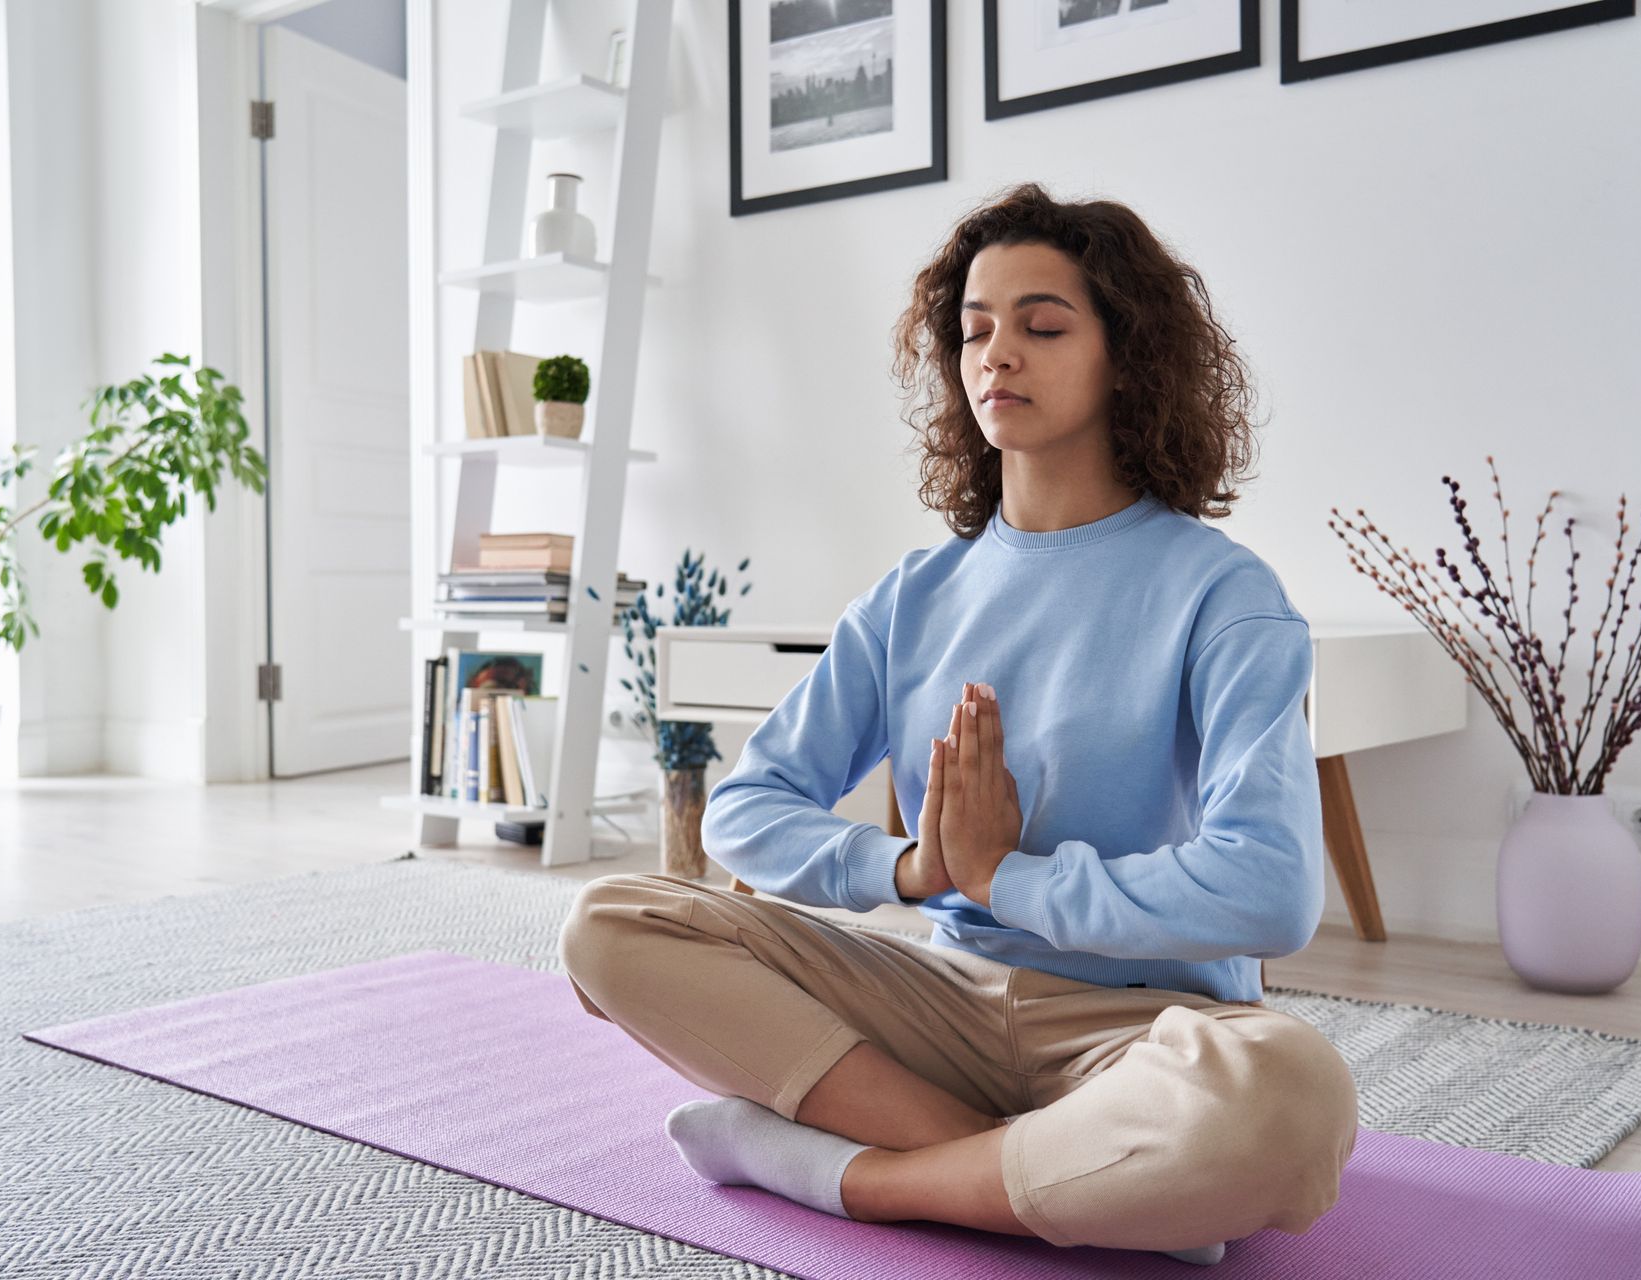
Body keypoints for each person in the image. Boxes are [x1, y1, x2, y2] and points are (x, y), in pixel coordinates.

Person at [557, 181, 1359, 1268]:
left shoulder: (1224, 594)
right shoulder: (914, 595)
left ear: (1128, 354)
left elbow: (1271, 890)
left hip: (1143, 1027)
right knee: (609, 922)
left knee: (1292, 1093)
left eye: (1040, 324)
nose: (997, 355)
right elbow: (747, 806)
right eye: (975, 330)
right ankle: (1047, 1171)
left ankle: (860, 1173)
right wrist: (915, 871)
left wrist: (1007, 877)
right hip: (938, 1007)